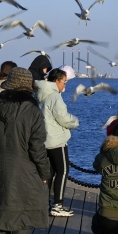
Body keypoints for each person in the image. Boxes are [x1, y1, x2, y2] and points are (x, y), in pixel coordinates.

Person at [0, 67, 51, 234]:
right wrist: (45, 174)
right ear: (28, 88)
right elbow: (37, 149)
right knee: (22, 222)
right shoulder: (33, 112)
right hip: (27, 175)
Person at [35, 68, 79, 217]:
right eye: (64, 82)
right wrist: (75, 122)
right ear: (57, 81)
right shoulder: (54, 96)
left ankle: (44, 203)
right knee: (63, 170)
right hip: (56, 140)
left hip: (44, 140)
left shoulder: (40, 94)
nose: (64, 86)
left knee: (50, 172)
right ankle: (58, 205)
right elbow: (63, 118)